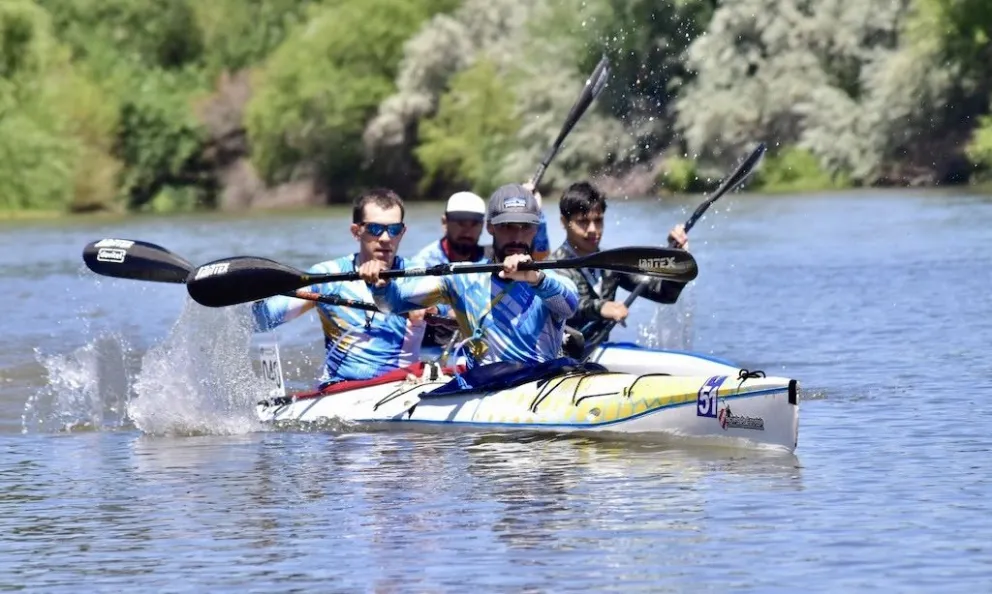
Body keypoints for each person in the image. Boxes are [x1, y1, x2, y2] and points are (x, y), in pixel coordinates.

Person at [359, 183, 579, 370]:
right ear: (491, 228)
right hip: (485, 386)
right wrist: (381, 286)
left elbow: (570, 306)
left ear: (536, 229)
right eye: (508, 227)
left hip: (541, 381)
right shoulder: (463, 278)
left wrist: (534, 278)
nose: (517, 236)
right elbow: (393, 303)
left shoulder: (550, 280)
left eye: (526, 227)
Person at [250, 188, 430, 387]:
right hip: (341, 390)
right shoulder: (330, 276)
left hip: (404, 385)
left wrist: (435, 309)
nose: (386, 238)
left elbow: (452, 317)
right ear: (356, 231)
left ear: (403, 232)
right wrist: (255, 292)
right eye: (375, 229)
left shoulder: (417, 276)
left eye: (394, 229)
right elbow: (261, 320)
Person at [550, 181, 690, 351]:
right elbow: (568, 306)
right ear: (564, 222)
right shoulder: (554, 269)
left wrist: (674, 260)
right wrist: (601, 307)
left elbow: (665, 294)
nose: (593, 229)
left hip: (598, 353)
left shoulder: (612, 265)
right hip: (560, 357)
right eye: (583, 222)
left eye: (598, 220)